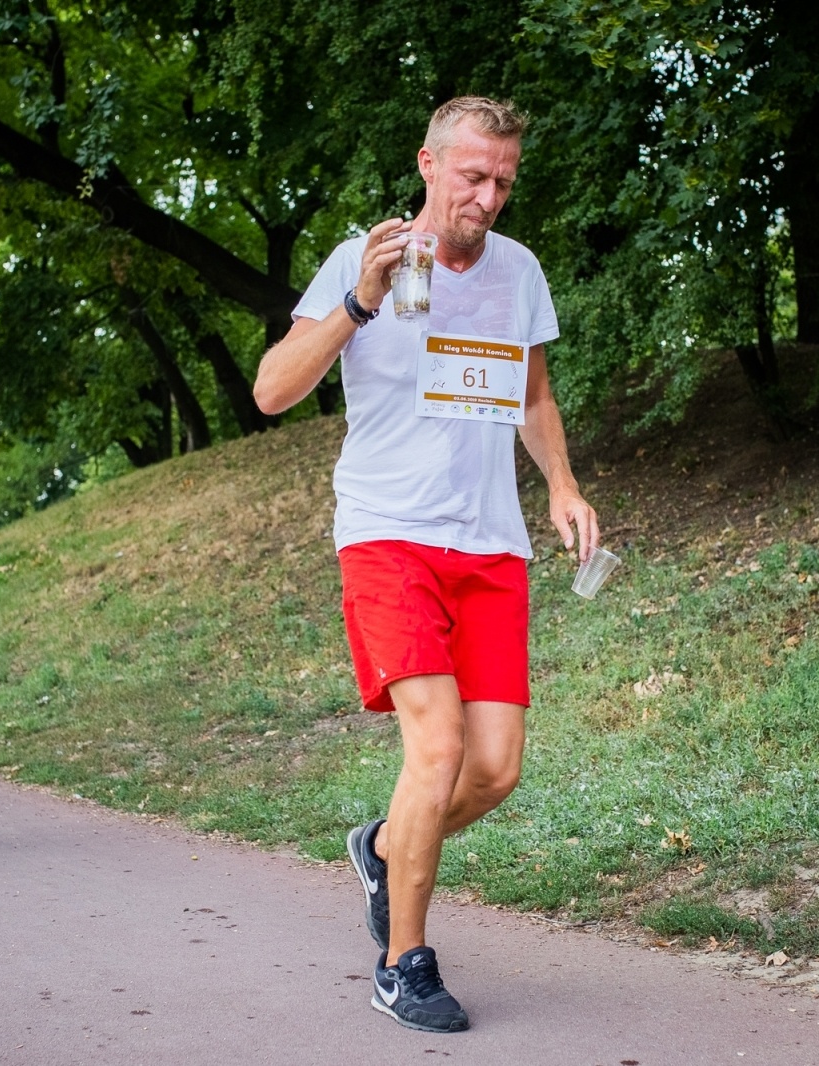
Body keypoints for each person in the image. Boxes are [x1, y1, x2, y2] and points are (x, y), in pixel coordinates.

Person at [252, 97, 599, 1033]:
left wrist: (562, 486)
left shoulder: (518, 271)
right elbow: (273, 390)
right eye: (473, 176)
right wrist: (359, 302)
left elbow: (531, 392)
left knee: (493, 770)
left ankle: (379, 844)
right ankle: (403, 962)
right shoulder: (367, 260)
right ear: (429, 165)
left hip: (491, 546)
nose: (487, 196)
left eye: (503, 182)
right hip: (387, 534)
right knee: (437, 750)